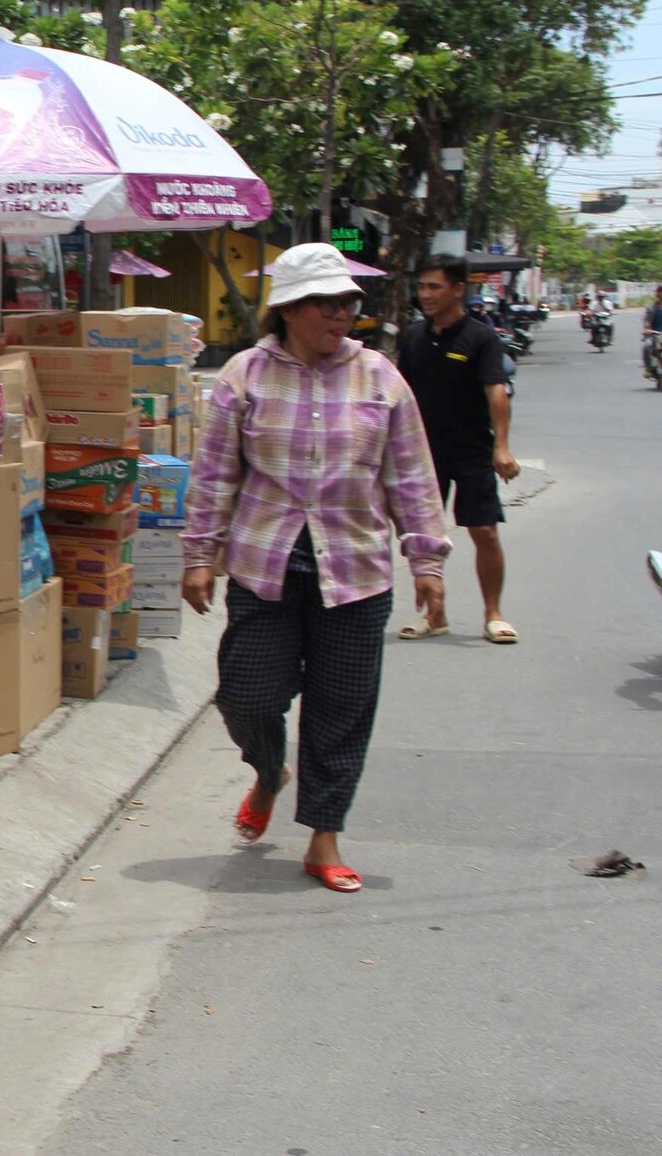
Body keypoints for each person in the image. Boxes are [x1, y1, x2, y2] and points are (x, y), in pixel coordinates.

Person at [183, 243, 451, 893]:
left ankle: (323, 835)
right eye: (328, 303)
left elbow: (410, 475)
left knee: (341, 710)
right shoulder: (243, 375)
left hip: (356, 572)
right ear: (290, 309)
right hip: (265, 564)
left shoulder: (380, 379)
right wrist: (198, 555)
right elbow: (215, 473)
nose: (342, 314)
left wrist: (427, 560)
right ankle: (269, 769)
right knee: (247, 696)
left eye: (348, 303)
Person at [396, 253, 520, 644]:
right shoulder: (413, 337)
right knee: (426, 537)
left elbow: (496, 392)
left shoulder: (481, 338)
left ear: (458, 289)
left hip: (471, 451)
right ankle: (436, 615)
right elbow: (398, 394)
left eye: (434, 287)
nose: (426, 295)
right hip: (424, 453)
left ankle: (494, 614)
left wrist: (502, 447)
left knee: (483, 531)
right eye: (421, 287)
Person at [644, 286, 662, 378]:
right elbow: (647, 320)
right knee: (647, 346)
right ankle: (648, 368)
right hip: (654, 334)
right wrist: (647, 329)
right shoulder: (651, 307)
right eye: (660, 291)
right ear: (657, 293)